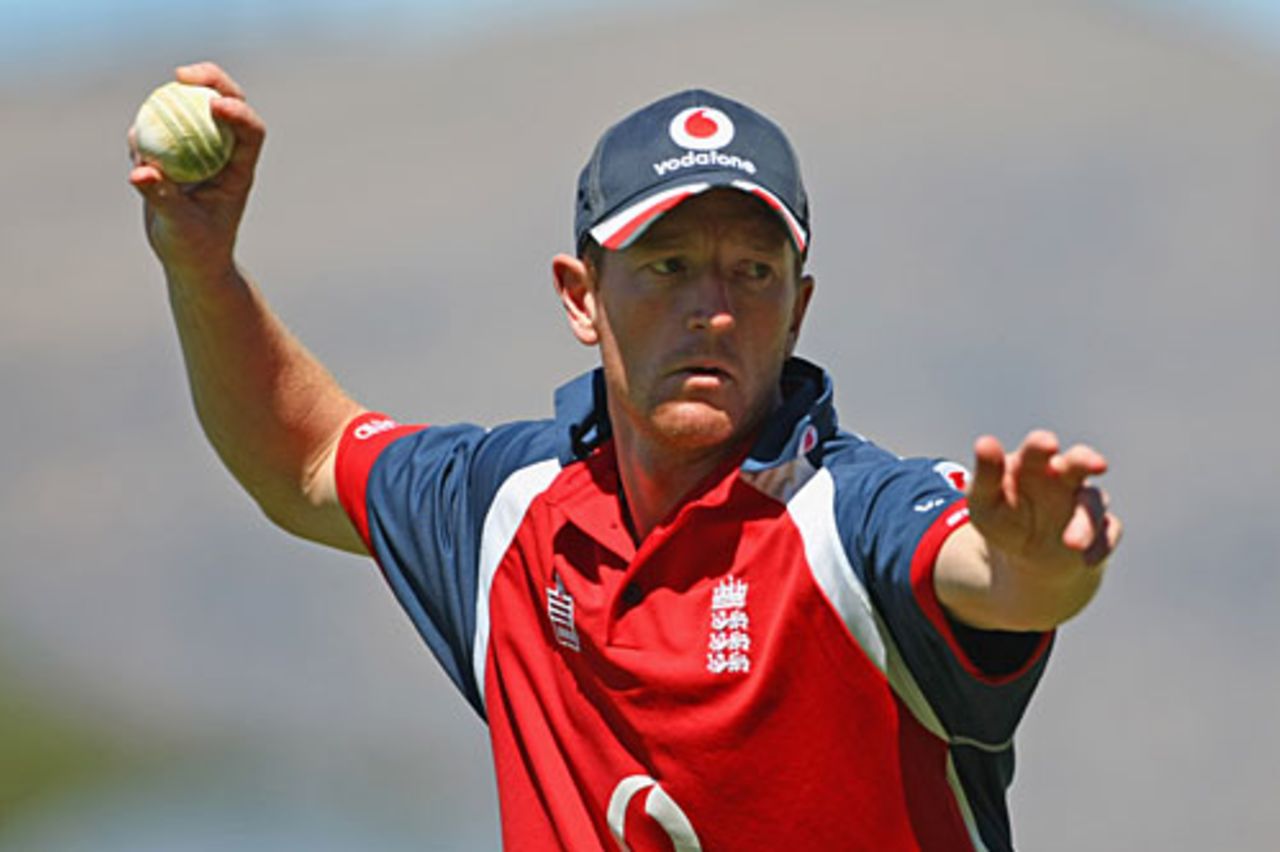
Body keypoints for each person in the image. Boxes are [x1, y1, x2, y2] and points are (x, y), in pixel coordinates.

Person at [130, 62, 1122, 851]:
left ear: (797, 310)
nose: (714, 307)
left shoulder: (852, 520)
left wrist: (1039, 559)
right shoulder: (505, 512)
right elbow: (303, 459)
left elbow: (990, 578)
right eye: (667, 266)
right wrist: (202, 264)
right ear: (579, 296)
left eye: (752, 270)